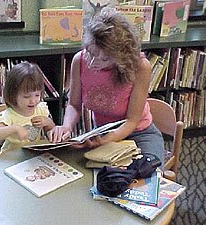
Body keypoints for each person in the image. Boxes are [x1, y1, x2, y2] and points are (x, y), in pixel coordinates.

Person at [48, 9, 165, 165]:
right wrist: (66, 127)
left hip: (140, 134)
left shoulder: (140, 67)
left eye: (104, 58)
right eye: (90, 52)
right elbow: (74, 105)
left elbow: (132, 121)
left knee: (148, 176)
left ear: (120, 57)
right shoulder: (79, 60)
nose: (92, 62)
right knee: (96, 179)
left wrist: (102, 141)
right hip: (102, 132)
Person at [0, 62, 55, 152]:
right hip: (11, 157)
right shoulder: (10, 114)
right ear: (13, 95)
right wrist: (15, 128)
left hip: (31, 154)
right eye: (26, 96)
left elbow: (51, 129)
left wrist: (47, 122)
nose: (33, 101)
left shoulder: (40, 109)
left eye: (37, 95)